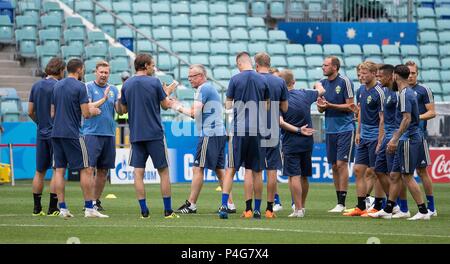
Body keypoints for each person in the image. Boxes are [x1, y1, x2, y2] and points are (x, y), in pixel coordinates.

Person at [119, 53, 179, 219]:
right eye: (152, 65)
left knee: (138, 173)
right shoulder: (154, 82)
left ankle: (144, 211)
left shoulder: (127, 84)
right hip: (154, 134)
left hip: (136, 134)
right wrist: (166, 92)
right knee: (164, 172)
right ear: (145, 66)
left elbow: (122, 110)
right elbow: (166, 106)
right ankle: (168, 211)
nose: (154, 67)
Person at [369, 64, 430, 220]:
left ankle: (423, 211)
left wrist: (394, 139)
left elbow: (407, 119)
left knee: (407, 175)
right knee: (395, 174)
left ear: (394, 76)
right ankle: (390, 208)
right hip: (404, 138)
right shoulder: (404, 92)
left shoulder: (404, 94)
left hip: (408, 138)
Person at [173, 64, 236, 214]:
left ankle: (191, 204)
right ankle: (230, 204)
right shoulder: (208, 88)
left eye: (192, 77)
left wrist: (176, 106)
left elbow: (195, 113)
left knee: (197, 168)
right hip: (219, 133)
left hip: (210, 133)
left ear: (201, 76)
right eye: (188, 77)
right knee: (220, 171)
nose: (190, 80)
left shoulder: (203, 89)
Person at [51, 58, 107, 218]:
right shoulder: (80, 87)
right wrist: (93, 112)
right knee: (85, 169)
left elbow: (53, 112)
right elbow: (86, 113)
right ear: (80, 70)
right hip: (73, 133)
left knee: (59, 170)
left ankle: (62, 208)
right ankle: (89, 208)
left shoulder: (57, 86)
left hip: (56, 132)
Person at [218, 51, 270, 219]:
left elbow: (227, 105)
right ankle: (256, 209)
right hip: (258, 129)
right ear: (250, 62)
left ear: (239, 63)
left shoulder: (235, 79)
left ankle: (224, 205)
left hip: (239, 129)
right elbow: (267, 106)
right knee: (256, 170)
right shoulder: (263, 79)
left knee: (231, 168)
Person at [279, 69, 325, 217]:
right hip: (307, 141)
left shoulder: (280, 99)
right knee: (304, 175)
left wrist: (298, 130)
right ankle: (302, 207)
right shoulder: (305, 93)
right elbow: (321, 90)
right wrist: (317, 83)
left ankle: (297, 209)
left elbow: (281, 123)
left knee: (294, 176)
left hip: (291, 140)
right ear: (294, 82)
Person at [343, 61, 385, 217]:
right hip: (364, 136)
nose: (362, 76)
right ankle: (361, 206)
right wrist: (358, 132)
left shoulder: (380, 92)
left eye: (365, 73)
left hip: (376, 136)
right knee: (358, 170)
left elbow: (383, 118)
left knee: (377, 172)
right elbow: (360, 112)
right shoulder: (360, 90)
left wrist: (381, 140)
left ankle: (377, 206)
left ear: (374, 74)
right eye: (360, 73)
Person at [317, 56, 356, 213]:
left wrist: (330, 105)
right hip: (330, 129)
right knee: (334, 166)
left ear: (335, 67)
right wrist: (321, 106)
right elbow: (321, 109)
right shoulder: (323, 84)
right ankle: (339, 201)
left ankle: (342, 202)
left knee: (341, 164)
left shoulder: (345, 82)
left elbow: (351, 106)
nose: (323, 67)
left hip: (345, 129)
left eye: (326, 65)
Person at [251, 52, 288, 219]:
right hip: (273, 125)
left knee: (255, 170)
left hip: (254, 126)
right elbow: (285, 108)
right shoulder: (279, 81)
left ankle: (254, 208)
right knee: (272, 170)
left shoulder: (252, 79)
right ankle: (270, 208)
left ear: (256, 64)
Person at [82, 60, 121, 212]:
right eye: (101, 72)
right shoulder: (88, 87)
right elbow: (88, 107)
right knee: (89, 169)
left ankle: (95, 201)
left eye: (106, 72)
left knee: (103, 171)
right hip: (92, 133)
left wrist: (123, 100)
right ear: (95, 72)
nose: (104, 75)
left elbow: (119, 110)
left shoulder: (113, 90)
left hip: (109, 134)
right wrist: (102, 101)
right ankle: (88, 203)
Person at [29, 57, 65, 216]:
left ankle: (37, 208)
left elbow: (30, 111)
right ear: (61, 70)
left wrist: (40, 123)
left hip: (41, 131)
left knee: (39, 171)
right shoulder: (59, 86)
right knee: (57, 170)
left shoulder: (36, 86)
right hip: (56, 133)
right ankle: (53, 207)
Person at [405, 61, 437, 217]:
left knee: (422, 170)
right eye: (408, 73)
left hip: (419, 136)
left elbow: (432, 112)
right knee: (400, 173)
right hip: (403, 137)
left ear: (417, 74)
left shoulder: (424, 90)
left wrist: (414, 118)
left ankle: (431, 207)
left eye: (413, 73)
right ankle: (401, 207)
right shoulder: (400, 91)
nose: (410, 76)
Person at [372, 64, 397, 215]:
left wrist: (395, 138)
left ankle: (396, 206)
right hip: (386, 136)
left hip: (394, 136)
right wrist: (380, 140)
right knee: (379, 170)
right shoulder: (385, 92)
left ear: (389, 76)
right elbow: (382, 119)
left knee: (394, 174)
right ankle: (392, 204)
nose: (378, 78)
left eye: (380, 76)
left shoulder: (397, 93)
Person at [115, 71, 130, 147]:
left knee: (122, 132)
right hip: (129, 113)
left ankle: (122, 147)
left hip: (121, 114)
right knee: (130, 131)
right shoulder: (130, 86)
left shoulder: (117, 87)